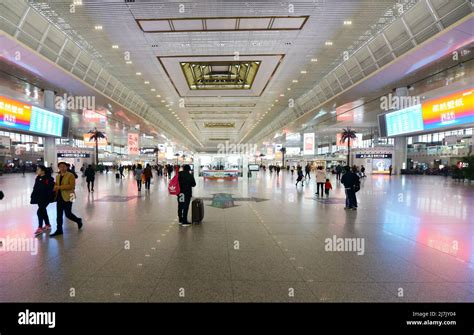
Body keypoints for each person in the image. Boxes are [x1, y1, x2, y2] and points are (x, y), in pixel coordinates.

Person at [50, 162, 83, 237]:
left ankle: (78, 220)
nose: (62, 168)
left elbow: (71, 186)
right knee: (59, 214)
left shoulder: (70, 175)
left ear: (67, 167)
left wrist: (59, 187)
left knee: (68, 214)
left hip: (70, 196)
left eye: (64, 166)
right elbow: (57, 185)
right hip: (59, 196)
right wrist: (54, 187)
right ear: (58, 168)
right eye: (60, 167)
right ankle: (59, 230)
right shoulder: (58, 176)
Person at [31, 165, 55, 235]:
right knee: (43, 211)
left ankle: (40, 227)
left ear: (43, 171)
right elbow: (35, 187)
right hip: (39, 198)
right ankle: (47, 225)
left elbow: (50, 189)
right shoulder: (38, 178)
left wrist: (47, 196)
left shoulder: (48, 178)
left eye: (38, 169)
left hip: (46, 198)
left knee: (39, 211)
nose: (36, 170)